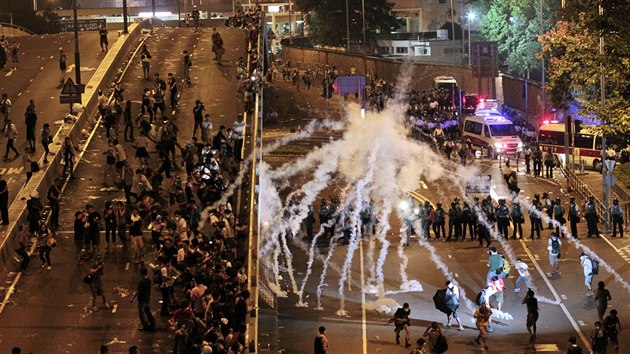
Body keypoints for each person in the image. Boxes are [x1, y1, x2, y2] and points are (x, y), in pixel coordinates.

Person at [131, 267, 156, 331]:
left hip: (142, 300)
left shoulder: (141, 281)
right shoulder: (149, 280)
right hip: (147, 299)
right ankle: (152, 324)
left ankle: (145, 326)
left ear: (141, 273)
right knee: (148, 312)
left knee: (142, 314)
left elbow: (138, 291)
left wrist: (133, 299)